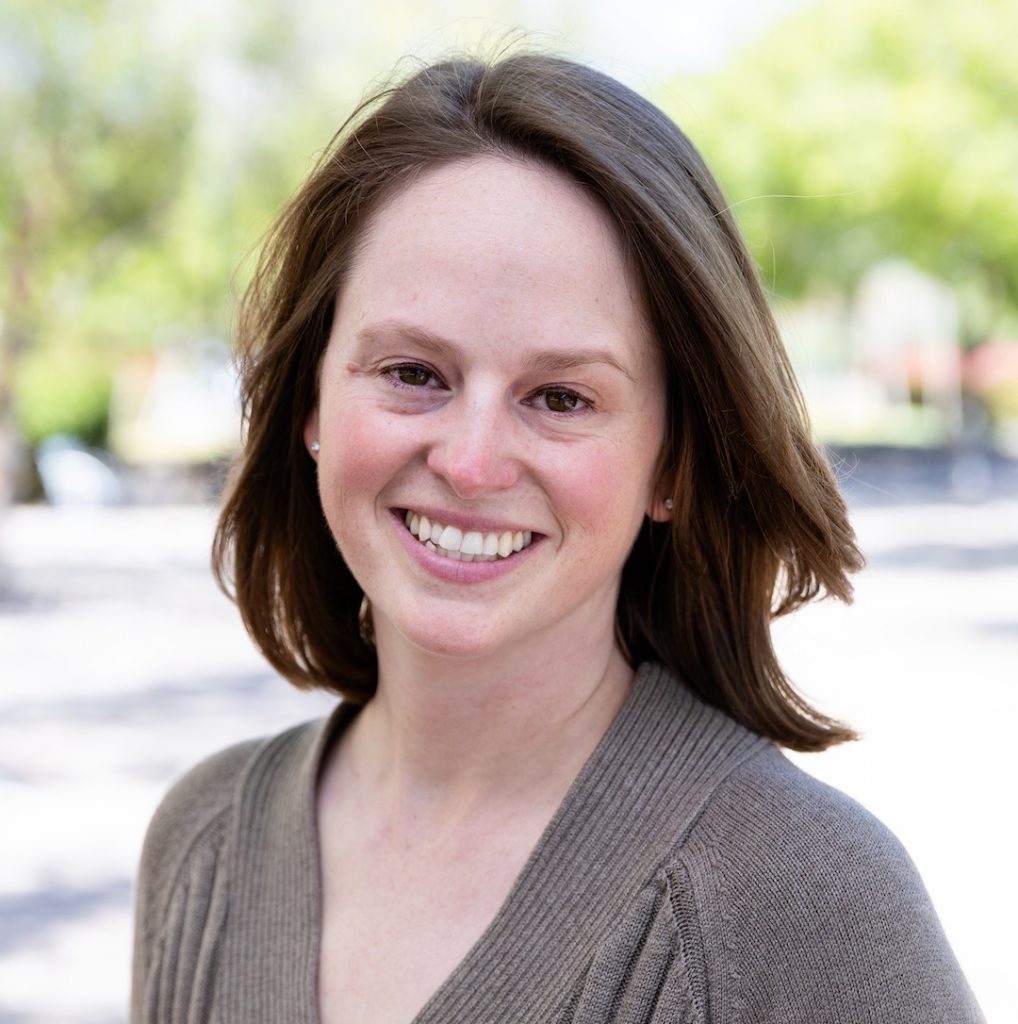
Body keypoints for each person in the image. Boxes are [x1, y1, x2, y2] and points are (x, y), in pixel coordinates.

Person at [130, 53, 985, 1023]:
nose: (471, 460)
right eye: (413, 372)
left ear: (671, 464)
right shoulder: (201, 842)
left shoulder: (810, 903)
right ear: (311, 401)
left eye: (562, 396)